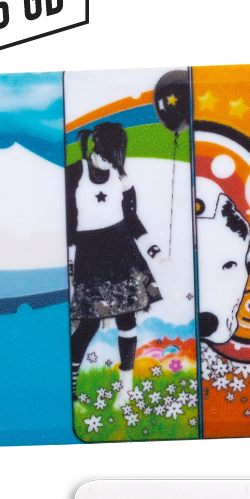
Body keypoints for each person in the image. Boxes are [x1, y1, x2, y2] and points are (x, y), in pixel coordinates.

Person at [67, 123, 161, 409]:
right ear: (96, 147)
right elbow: (67, 220)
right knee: (89, 322)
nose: (111, 163)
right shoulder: (74, 173)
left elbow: (131, 218)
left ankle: (126, 388)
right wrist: (69, 260)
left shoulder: (121, 177)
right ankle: (70, 386)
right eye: (108, 156)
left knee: (127, 320)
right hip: (89, 254)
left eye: (116, 158)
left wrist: (155, 251)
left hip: (122, 252)